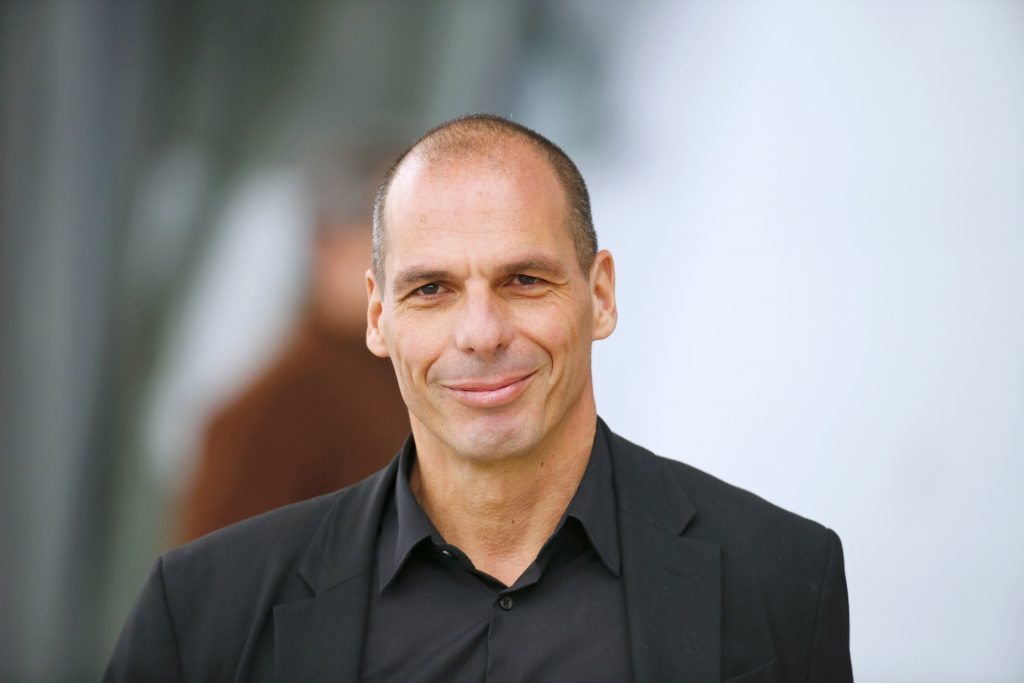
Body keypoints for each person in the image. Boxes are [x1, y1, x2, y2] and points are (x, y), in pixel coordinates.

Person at [105, 114, 853, 682]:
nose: (481, 333)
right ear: (378, 316)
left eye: (523, 280)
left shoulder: (783, 580)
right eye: (432, 289)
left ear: (600, 295)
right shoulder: (200, 607)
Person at [173, 140, 409, 544]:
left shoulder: (411, 380)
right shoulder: (276, 408)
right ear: (331, 245)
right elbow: (216, 577)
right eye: (398, 233)